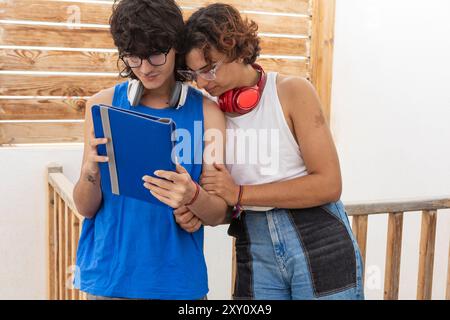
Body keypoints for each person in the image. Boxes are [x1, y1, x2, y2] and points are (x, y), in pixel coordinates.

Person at [177, 3, 365, 300]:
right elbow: (223, 202)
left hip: (319, 238)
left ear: (238, 50)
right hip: (253, 241)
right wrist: (198, 209)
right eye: (194, 74)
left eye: (210, 69)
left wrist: (240, 193)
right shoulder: (210, 115)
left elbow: (329, 184)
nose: (202, 83)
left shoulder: (292, 91)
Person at [72, 0, 227, 300]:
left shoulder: (208, 113)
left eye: (156, 55)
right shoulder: (100, 105)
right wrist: (90, 170)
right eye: (134, 57)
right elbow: (85, 207)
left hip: (178, 284)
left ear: (175, 46)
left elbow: (220, 212)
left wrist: (194, 200)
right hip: (109, 281)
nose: (144, 68)